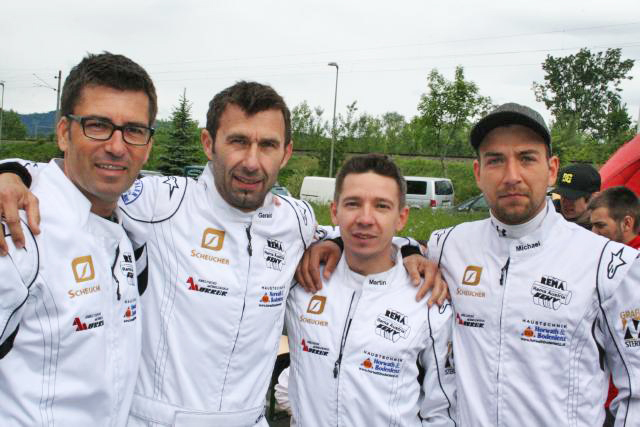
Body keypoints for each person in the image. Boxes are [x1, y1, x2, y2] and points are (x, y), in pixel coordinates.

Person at [0, 81, 443, 426]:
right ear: (208, 143)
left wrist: (406, 250)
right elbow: (81, 175)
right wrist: (11, 172)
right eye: (237, 141)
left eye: (267, 145)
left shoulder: (296, 219)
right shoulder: (160, 202)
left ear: (286, 153)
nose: (252, 161)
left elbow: (359, 232)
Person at [299, 103, 640, 426]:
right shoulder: (449, 245)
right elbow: (384, 243)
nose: (511, 175)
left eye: (526, 158)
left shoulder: (611, 265)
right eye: (495, 160)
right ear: (478, 172)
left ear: (551, 169)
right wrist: (337, 242)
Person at [0, 52, 155, 425]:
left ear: (148, 146)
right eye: (97, 125)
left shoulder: (129, 230)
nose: (116, 146)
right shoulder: (19, 229)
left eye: (134, 130)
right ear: (63, 133)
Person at [285, 154, 456, 426]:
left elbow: (443, 410)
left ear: (401, 217)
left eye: (381, 206)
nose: (365, 218)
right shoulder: (302, 278)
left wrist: (410, 247)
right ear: (334, 211)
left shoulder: (428, 297)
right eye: (353, 204)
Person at [554, 163, 601, 228]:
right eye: (562, 195)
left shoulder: (601, 230)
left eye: (571, 197)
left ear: (593, 198)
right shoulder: (549, 216)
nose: (565, 202)